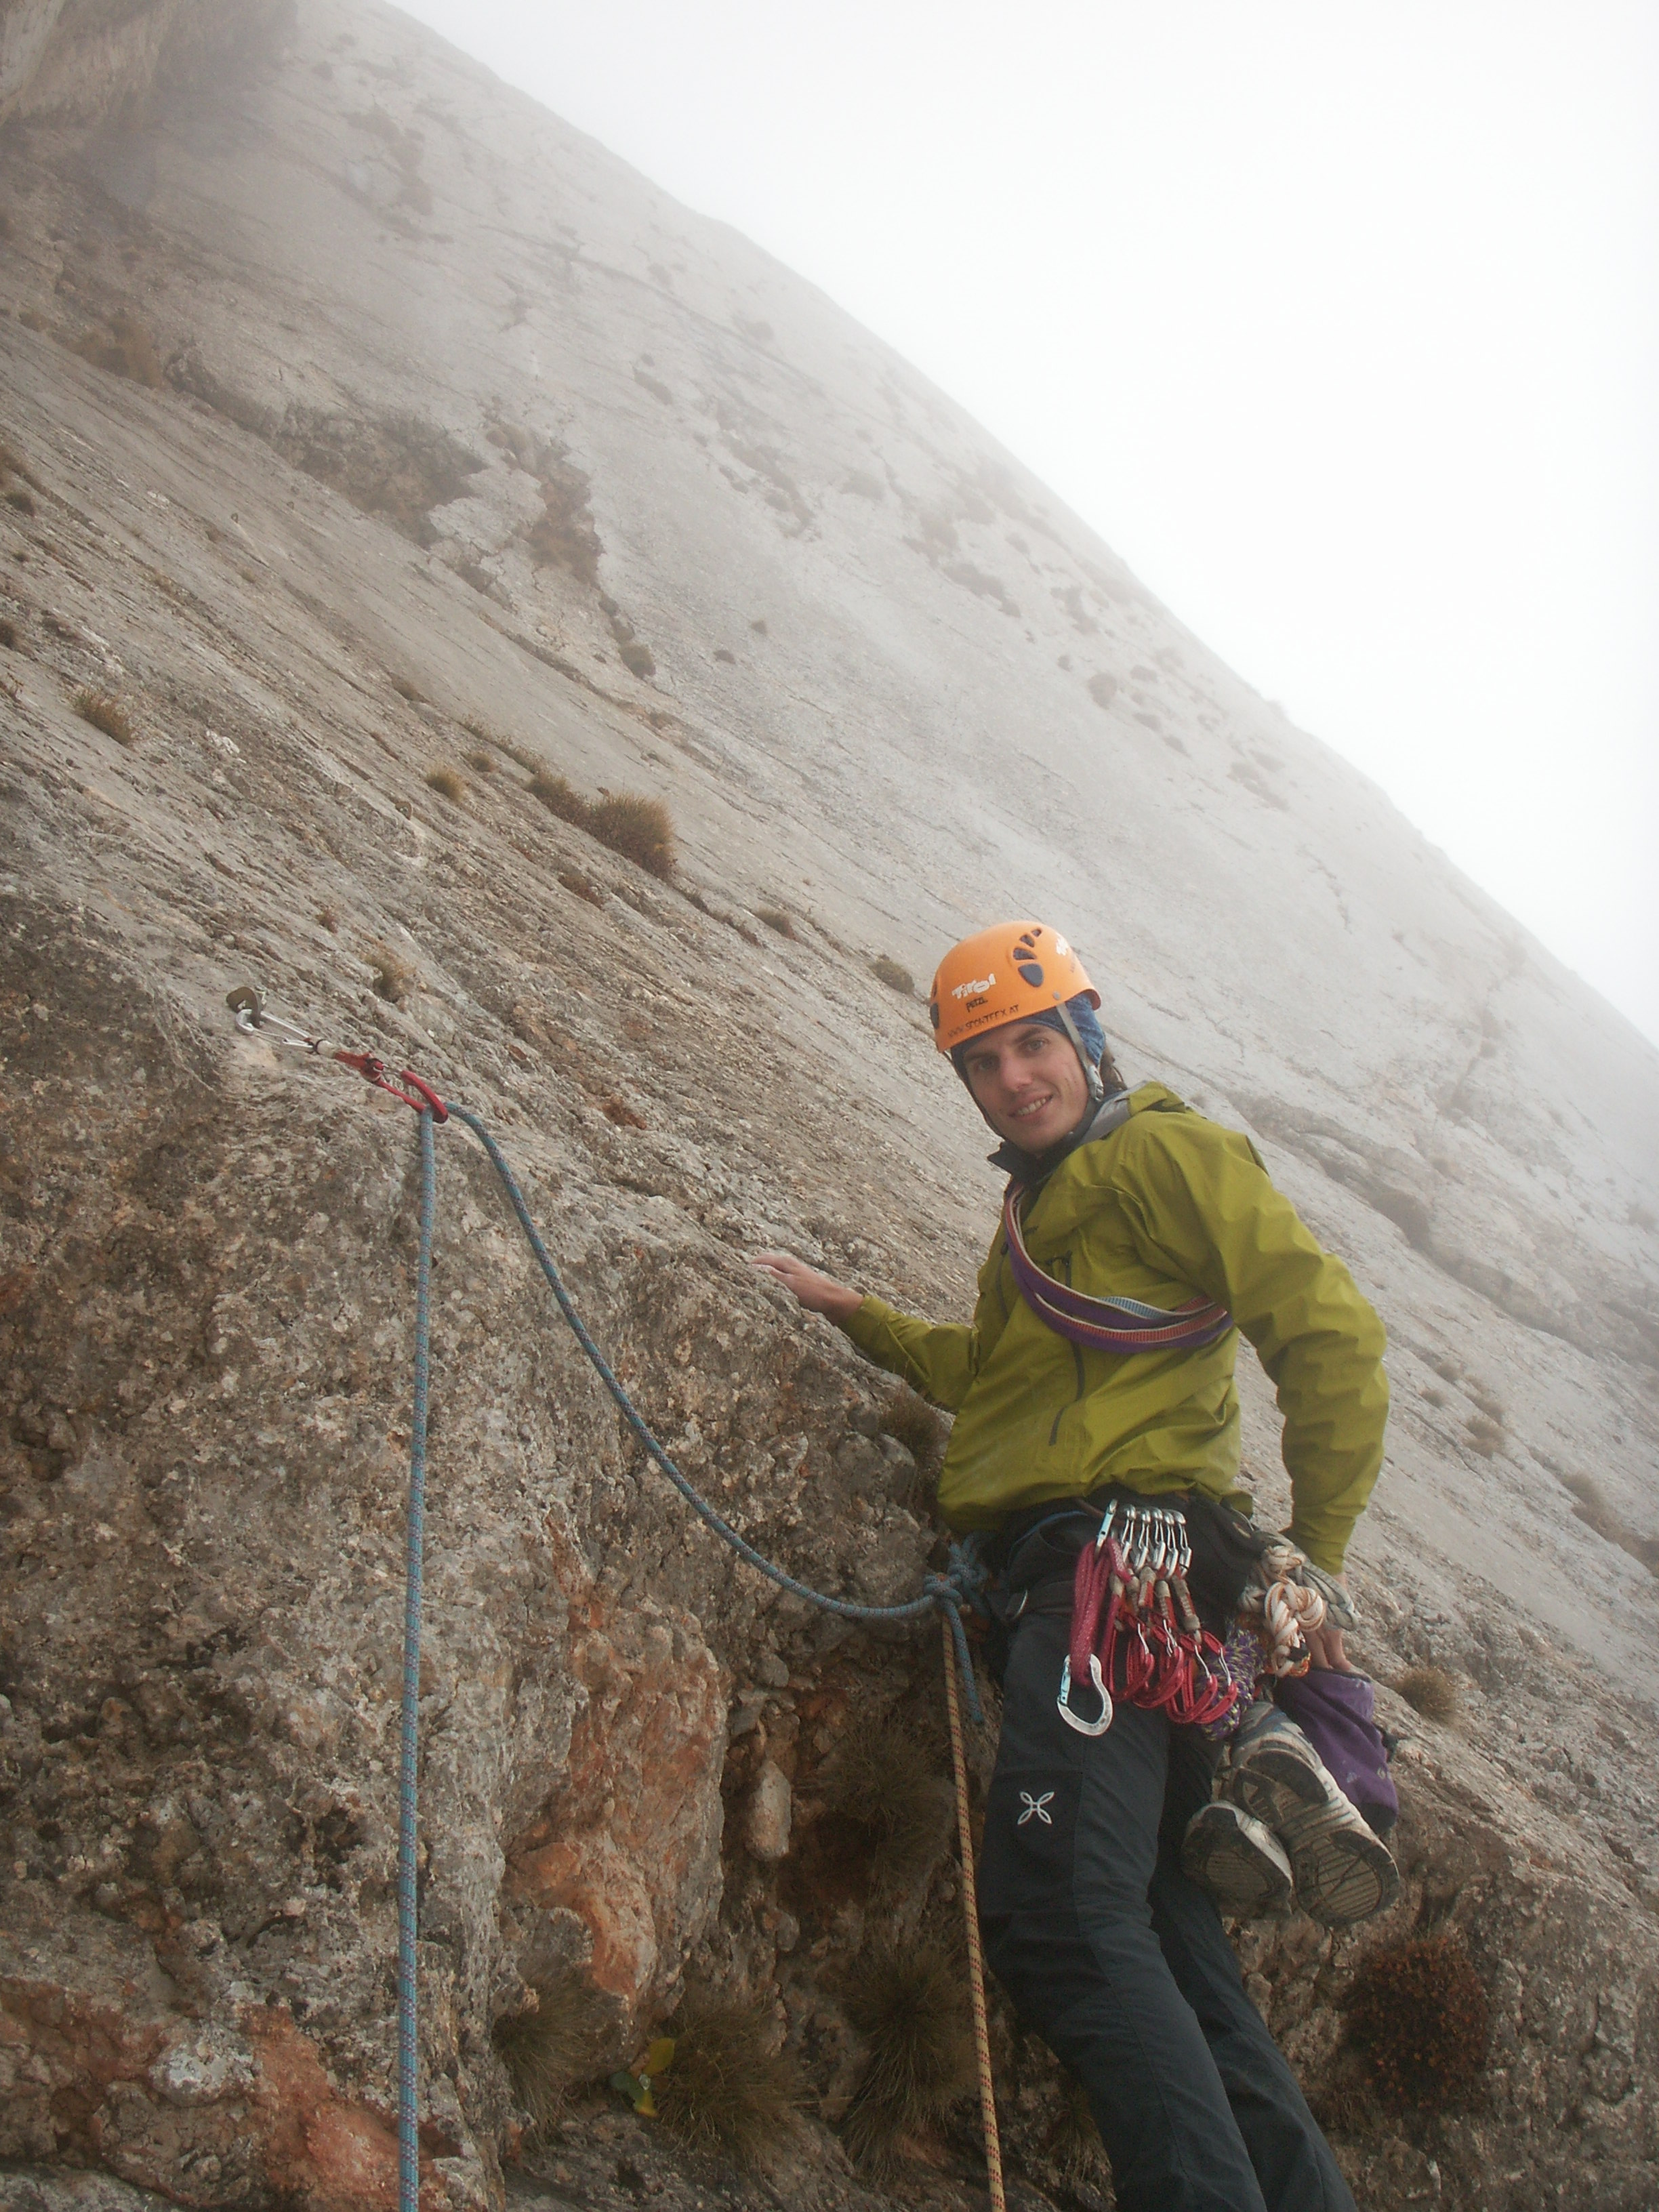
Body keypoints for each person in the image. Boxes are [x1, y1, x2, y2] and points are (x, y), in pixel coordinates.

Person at [754, 918, 1390, 2212]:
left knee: (1060, 1914)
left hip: (1112, 1583)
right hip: (1132, 1599)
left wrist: (1314, 1562)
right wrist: (856, 1313)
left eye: (1034, 1044)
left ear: (1085, 1039)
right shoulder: (1037, 1212)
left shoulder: (1164, 1152)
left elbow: (1330, 1335)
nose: (1015, 1080)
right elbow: (992, 1379)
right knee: (1168, 1943)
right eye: (983, 1064)